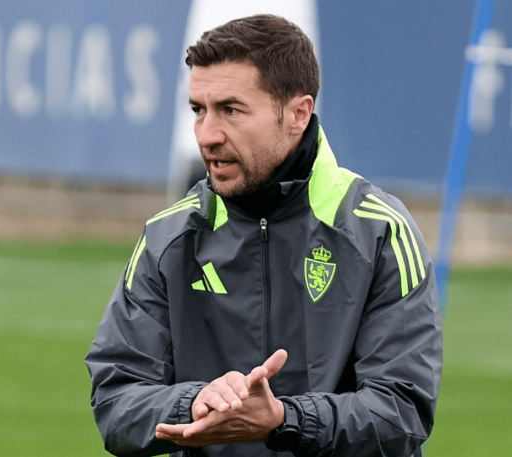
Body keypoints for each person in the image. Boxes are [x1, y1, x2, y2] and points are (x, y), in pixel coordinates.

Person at [85, 14, 442, 457]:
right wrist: (193, 402)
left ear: (297, 114)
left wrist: (285, 421)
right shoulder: (168, 238)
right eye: (198, 110)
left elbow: (401, 413)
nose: (207, 135)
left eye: (231, 110)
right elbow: (116, 398)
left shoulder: (380, 232)